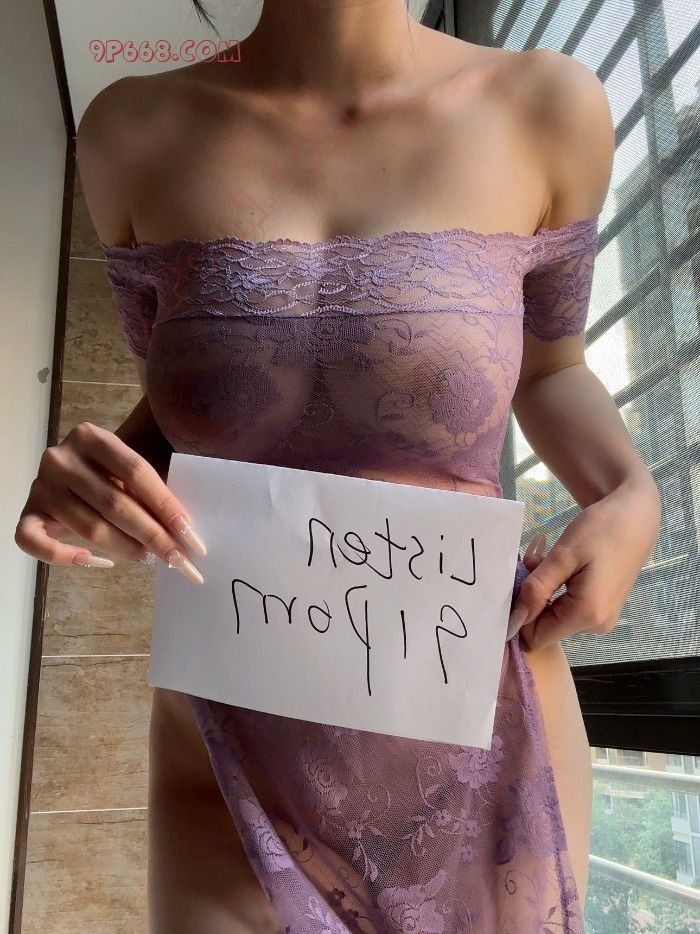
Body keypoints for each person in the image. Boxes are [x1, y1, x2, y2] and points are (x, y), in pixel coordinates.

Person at [15, 2, 661, 931]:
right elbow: (193, 401)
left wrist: (633, 493)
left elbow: (552, 366)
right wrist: (98, 487)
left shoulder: (545, 107)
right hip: (231, 740)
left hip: (479, 730)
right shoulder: (130, 130)